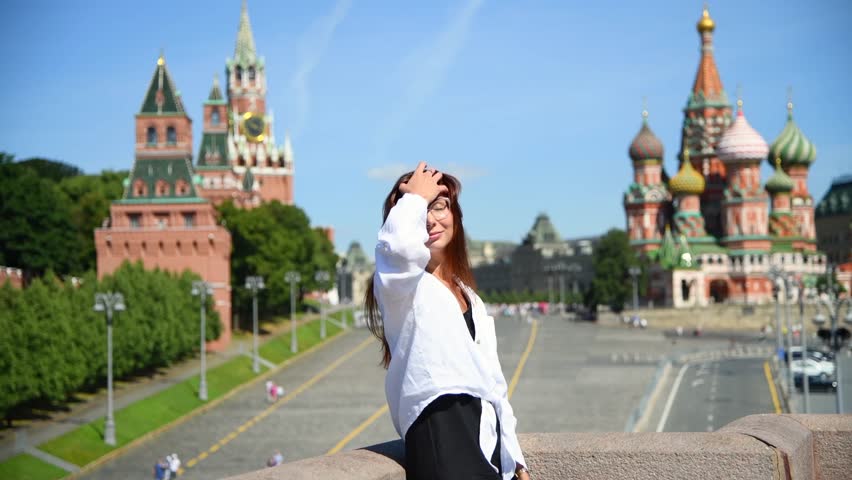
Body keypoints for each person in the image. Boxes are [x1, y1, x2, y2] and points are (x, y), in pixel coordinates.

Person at [365, 162, 530, 480]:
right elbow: (396, 248)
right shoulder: (403, 286)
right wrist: (413, 197)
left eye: (439, 207)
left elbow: (495, 384)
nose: (430, 219)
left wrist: (515, 459)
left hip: (483, 438)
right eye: (419, 210)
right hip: (440, 432)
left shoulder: (470, 297)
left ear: (456, 216)